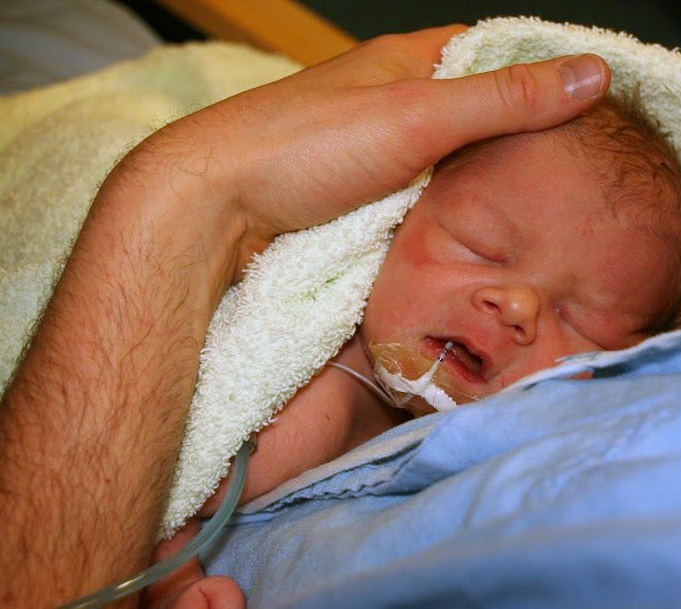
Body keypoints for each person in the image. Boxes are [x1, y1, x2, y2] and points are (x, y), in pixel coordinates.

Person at [0, 24, 616, 608]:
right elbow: (155, 473)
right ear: (394, 215)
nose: (517, 305)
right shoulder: (301, 387)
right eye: (484, 246)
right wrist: (171, 578)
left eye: (577, 318)